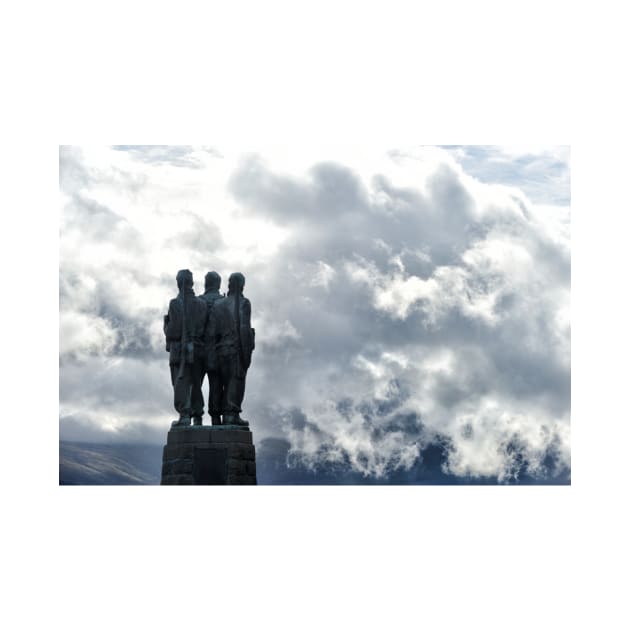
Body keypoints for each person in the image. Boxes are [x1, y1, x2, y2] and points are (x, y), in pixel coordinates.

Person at [163, 269, 209, 427]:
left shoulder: (175, 303)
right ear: (191, 283)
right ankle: (198, 416)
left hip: (180, 351)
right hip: (199, 350)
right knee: (196, 384)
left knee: (181, 384)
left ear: (178, 283)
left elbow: (174, 331)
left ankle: (184, 415)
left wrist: (166, 326)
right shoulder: (202, 304)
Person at [213, 272, 255, 426]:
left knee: (221, 385)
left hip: (219, 350)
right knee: (235, 382)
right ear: (242, 285)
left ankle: (219, 416)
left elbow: (213, 331)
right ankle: (231, 415)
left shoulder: (218, 304)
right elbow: (244, 328)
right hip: (236, 349)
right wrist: (247, 352)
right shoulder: (244, 303)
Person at [198, 271, 224, 425]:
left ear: (206, 283)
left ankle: (196, 417)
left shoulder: (197, 301)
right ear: (219, 284)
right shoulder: (224, 301)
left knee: (195, 385)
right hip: (218, 350)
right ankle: (215, 417)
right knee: (216, 385)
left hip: (198, 350)